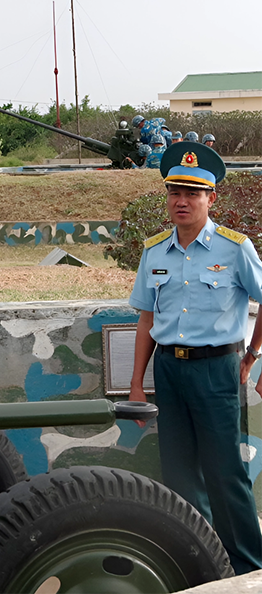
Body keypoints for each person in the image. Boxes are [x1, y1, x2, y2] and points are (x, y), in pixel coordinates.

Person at [128, 141, 262, 575]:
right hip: (169, 370)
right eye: (174, 193)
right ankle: (199, 559)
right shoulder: (154, 251)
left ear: (211, 198)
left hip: (217, 370)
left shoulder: (234, 248)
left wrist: (255, 355)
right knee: (180, 472)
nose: (181, 201)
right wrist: (136, 382)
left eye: (192, 193)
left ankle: (247, 565)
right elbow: (147, 319)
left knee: (226, 474)